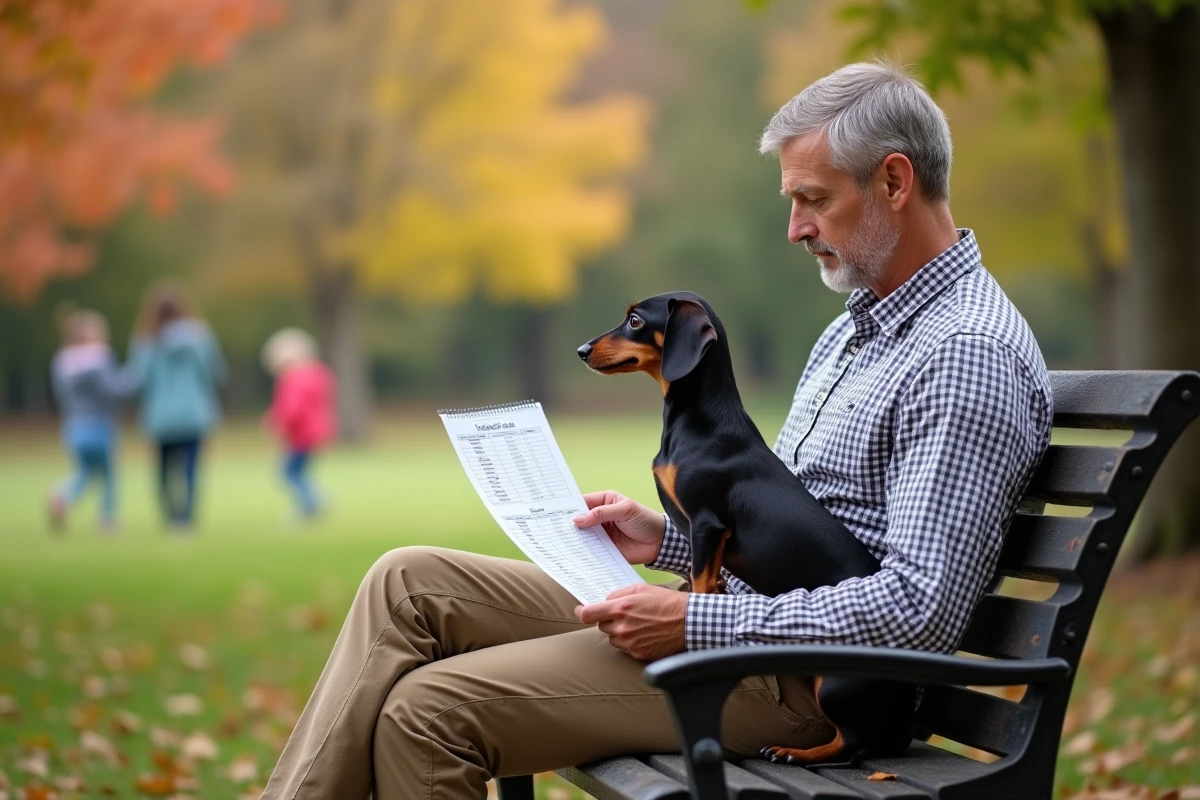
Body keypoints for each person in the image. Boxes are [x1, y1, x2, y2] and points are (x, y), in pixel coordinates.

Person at [261, 61, 1054, 800]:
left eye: (812, 198)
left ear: (893, 181)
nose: (794, 227)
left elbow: (919, 609)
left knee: (426, 710)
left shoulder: (964, 355)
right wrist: (668, 543)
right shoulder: (858, 329)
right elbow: (786, 521)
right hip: (742, 626)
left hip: (805, 682)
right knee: (407, 582)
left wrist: (696, 618)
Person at [127, 284, 227, 530]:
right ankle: (187, 518)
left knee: (163, 470)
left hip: (160, 416)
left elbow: (138, 379)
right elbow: (216, 372)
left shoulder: (146, 341)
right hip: (194, 413)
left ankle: (170, 517)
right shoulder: (200, 337)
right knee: (191, 469)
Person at [47, 308, 136, 532]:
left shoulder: (62, 361)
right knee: (108, 475)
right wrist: (133, 378)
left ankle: (61, 497)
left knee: (85, 473)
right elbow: (115, 390)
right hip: (99, 424)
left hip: (73, 425)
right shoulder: (99, 358)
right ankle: (108, 519)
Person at [261, 328, 337, 521]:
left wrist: (276, 422)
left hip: (299, 434)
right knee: (298, 471)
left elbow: (292, 409)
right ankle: (310, 502)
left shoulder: (294, 379)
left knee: (289, 472)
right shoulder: (318, 375)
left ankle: (311, 503)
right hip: (315, 432)